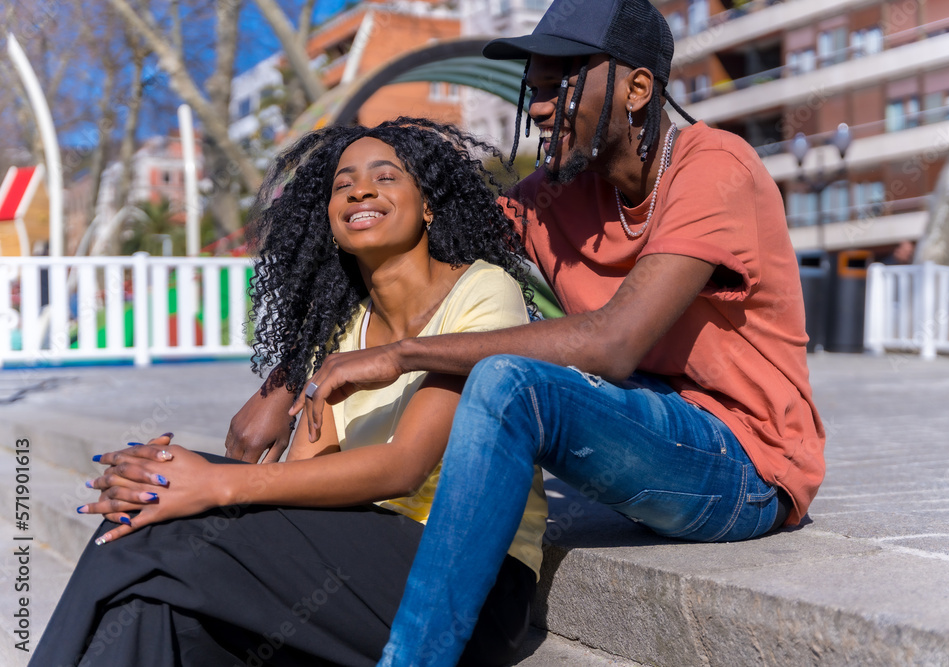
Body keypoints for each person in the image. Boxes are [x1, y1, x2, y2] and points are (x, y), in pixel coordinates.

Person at [229, 1, 827, 665]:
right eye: (534, 88)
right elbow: (413, 237)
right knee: (498, 367)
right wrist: (289, 375)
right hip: (651, 429)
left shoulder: (715, 168)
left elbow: (614, 343)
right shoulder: (556, 194)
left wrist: (397, 355)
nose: (540, 107)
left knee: (507, 380)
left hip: (747, 468)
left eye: (561, 83)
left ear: (637, 88)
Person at [28, 119, 548, 667]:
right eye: (342, 184)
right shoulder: (344, 333)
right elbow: (301, 474)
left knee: (153, 527)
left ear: (428, 205)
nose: (360, 191)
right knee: (157, 610)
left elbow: (404, 468)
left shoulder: (483, 291)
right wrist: (171, 479)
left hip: (469, 580)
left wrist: (211, 483)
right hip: (366, 564)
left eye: (385, 177)